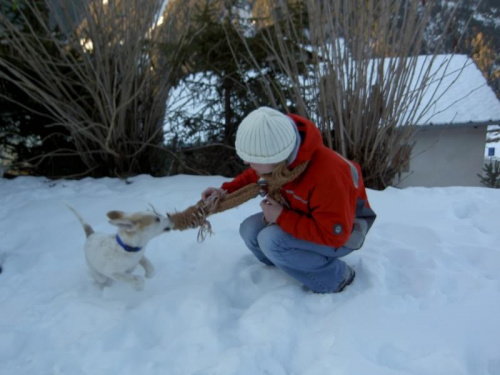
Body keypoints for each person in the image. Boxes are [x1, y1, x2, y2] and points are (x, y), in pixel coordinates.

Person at [202, 107, 376, 293]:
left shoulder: (328, 175)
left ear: (277, 157)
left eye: (252, 159)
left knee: (271, 241)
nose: (247, 163)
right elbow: (254, 175)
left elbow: (335, 235)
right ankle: (290, 262)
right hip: (305, 215)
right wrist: (224, 191)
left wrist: (281, 217)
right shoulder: (282, 157)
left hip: (345, 232)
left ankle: (336, 277)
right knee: (249, 230)